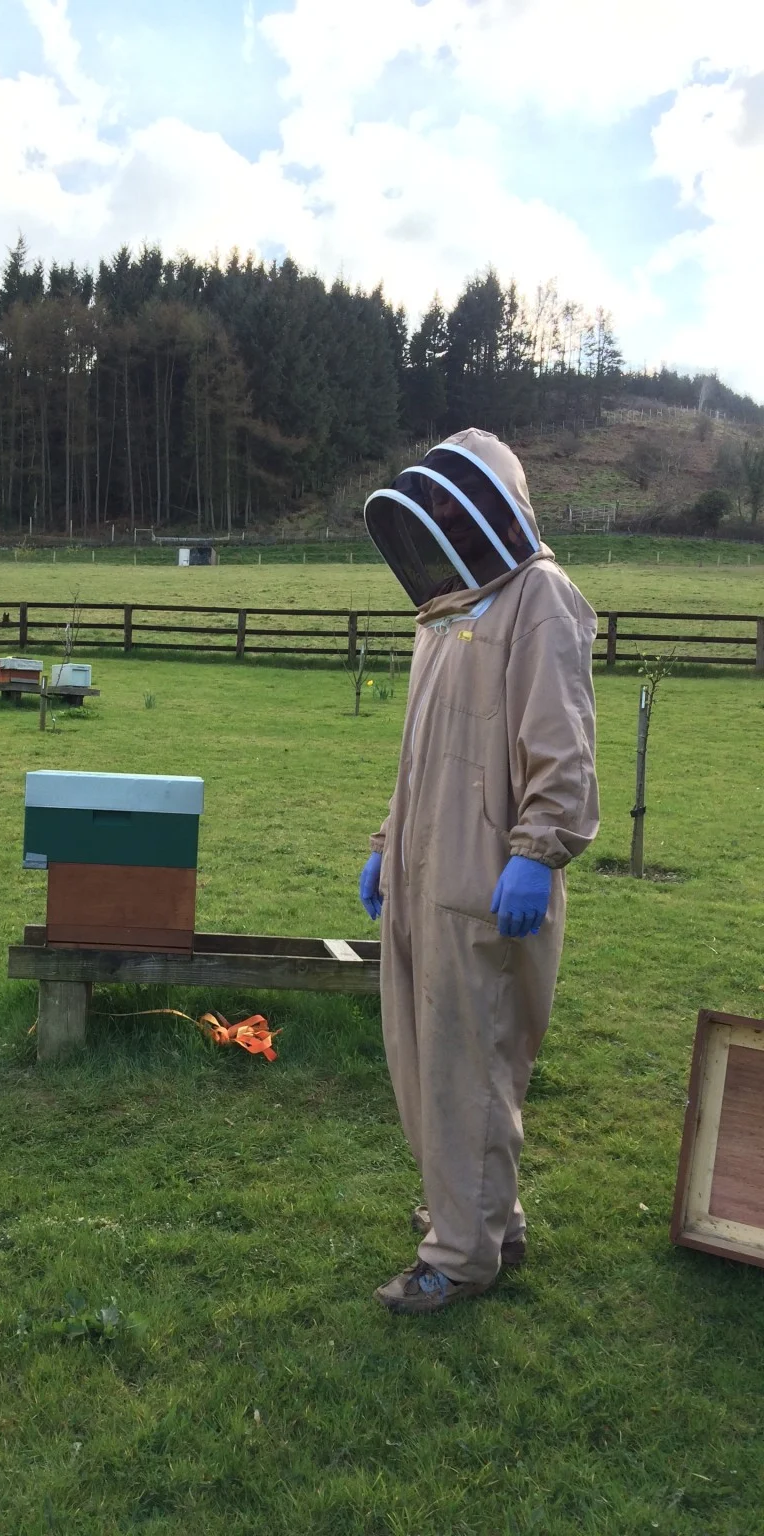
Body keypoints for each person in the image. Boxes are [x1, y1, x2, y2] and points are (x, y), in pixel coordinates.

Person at [358, 429, 599, 1315]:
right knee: (426, 1062)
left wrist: (538, 853)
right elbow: (421, 754)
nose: (447, 521)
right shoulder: (445, 612)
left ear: (500, 507)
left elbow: (561, 746)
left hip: (490, 881)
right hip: (422, 875)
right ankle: (490, 1222)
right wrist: (386, 839)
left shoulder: (541, 598)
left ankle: (459, 1258)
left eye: (461, 505)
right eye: (438, 506)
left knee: (472, 1067)